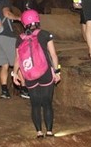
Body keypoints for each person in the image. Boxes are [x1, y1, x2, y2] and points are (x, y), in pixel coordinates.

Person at [11, 9, 62, 137]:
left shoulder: (20, 39)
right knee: (47, 103)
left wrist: (14, 74)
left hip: (30, 75)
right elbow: (53, 55)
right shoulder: (45, 34)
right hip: (45, 73)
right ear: (37, 20)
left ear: (23, 24)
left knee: (35, 104)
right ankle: (49, 131)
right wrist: (57, 71)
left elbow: (18, 59)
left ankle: (39, 132)